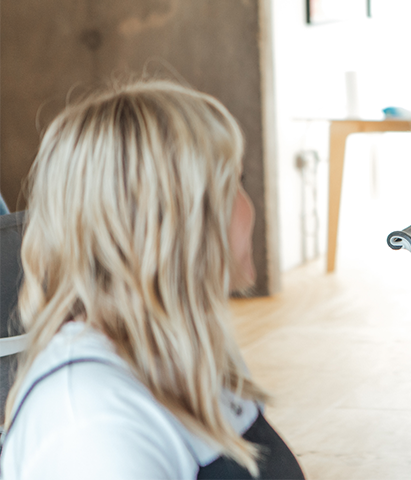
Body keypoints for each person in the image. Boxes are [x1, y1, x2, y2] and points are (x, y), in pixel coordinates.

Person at [0, 79, 304, 480]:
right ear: (168, 221)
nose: (250, 208)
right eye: (235, 184)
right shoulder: (94, 420)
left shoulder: (182, 350)